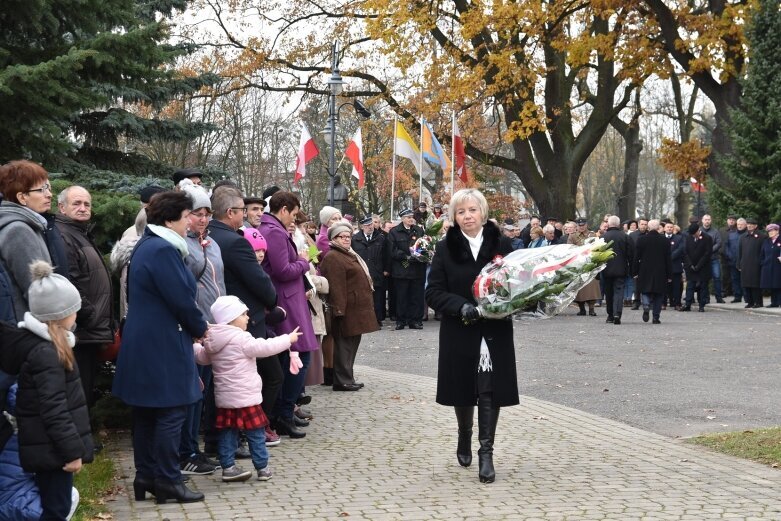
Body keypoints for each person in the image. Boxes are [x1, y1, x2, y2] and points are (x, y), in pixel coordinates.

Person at [112, 191, 209, 504]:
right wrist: (201, 329)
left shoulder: (147, 245)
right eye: (185, 218)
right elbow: (181, 298)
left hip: (145, 340)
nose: (190, 223)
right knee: (170, 411)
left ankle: (147, 476)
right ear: (170, 219)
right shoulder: (163, 249)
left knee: (148, 413)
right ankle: (166, 479)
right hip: (162, 342)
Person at [425, 188, 518, 484]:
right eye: (461, 212)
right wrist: (460, 306)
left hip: (494, 329)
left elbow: (517, 282)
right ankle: (464, 433)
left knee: (490, 389)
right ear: (454, 217)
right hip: (460, 329)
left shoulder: (502, 244)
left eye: (472, 210)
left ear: (483, 212)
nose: (468, 216)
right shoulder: (445, 248)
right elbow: (433, 292)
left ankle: (486, 452)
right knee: (463, 388)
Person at [0, 261, 93, 519]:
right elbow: (54, 409)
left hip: (49, 449)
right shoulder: (47, 353)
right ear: (62, 314)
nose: (77, 314)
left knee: (55, 506)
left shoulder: (48, 347)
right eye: (74, 310)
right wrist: (72, 452)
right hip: (53, 451)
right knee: (56, 509)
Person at [193, 296, 301, 482]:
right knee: (256, 433)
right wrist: (287, 339)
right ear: (231, 318)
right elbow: (265, 347)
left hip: (225, 399)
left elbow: (202, 357)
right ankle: (263, 468)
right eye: (243, 314)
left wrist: (194, 345)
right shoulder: (241, 339)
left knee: (228, 433)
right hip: (246, 397)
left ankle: (228, 467)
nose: (247, 318)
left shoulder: (213, 340)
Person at [207, 188, 282, 448]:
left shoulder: (210, 235)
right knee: (268, 377)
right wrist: (273, 300)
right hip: (245, 321)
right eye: (241, 211)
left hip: (220, 321)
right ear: (231, 213)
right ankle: (254, 431)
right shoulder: (235, 242)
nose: (246, 216)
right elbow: (260, 282)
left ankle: (235, 436)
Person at [260, 192, 318, 438]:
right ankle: (282, 414)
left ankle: (284, 411)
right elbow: (283, 270)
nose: (294, 219)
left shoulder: (273, 229)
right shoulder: (273, 231)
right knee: (297, 355)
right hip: (286, 300)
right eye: (293, 214)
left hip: (290, 298)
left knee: (295, 356)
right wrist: (304, 262)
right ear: (283, 209)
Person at [178, 180, 223, 475]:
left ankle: (195, 447)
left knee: (205, 390)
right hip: (194, 325)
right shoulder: (182, 243)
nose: (204, 219)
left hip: (213, 325)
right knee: (193, 391)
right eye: (197, 213)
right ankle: (186, 451)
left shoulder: (212, 242)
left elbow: (220, 282)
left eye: (207, 213)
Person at [54, 186, 114, 412]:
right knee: (77, 395)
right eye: (76, 203)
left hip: (89, 330)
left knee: (84, 392)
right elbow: (71, 282)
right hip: (79, 331)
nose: (82, 208)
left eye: (87, 204)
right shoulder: (64, 235)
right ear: (62, 207)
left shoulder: (80, 234)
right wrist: (90, 315)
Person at [319, 221, 380, 391]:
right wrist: (338, 310)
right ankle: (342, 380)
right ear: (333, 238)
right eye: (342, 236)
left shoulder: (348, 253)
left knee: (352, 344)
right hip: (346, 309)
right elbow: (336, 286)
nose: (346, 239)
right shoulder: (333, 257)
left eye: (348, 236)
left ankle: (348, 377)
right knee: (344, 346)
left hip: (356, 308)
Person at [0, 160, 56, 321]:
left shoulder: (26, 225)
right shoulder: (18, 230)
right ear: (22, 197)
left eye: (48, 188)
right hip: (31, 333)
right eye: (42, 189)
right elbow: (38, 294)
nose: (49, 194)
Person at [387, 208, 426, 330]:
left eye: (412, 217)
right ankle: (401, 320)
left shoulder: (419, 230)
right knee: (401, 297)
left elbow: (425, 245)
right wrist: (406, 256)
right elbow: (392, 250)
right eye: (408, 217)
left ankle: (415, 320)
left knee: (416, 296)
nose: (411, 219)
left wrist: (420, 255)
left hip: (417, 269)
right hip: (402, 268)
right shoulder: (394, 232)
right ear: (403, 218)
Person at [352, 215, 388, 325]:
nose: (370, 227)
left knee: (377, 298)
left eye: (371, 224)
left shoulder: (381, 238)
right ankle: (364, 320)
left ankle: (377, 320)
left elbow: (386, 255)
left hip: (376, 271)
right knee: (363, 297)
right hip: (362, 272)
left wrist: (386, 269)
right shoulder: (355, 239)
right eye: (367, 225)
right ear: (362, 227)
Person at [633, 220, 672, 323]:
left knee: (645, 290)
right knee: (659, 294)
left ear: (648, 228)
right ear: (659, 227)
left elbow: (636, 257)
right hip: (661, 270)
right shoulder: (665, 241)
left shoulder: (641, 240)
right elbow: (668, 259)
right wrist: (669, 274)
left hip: (644, 269)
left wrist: (635, 271)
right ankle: (656, 317)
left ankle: (646, 305)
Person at [601, 215, 633, 324]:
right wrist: (632, 269)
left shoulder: (603, 237)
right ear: (619, 224)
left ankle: (610, 315)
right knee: (619, 292)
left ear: (608, 224)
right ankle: (617, 313)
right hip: (621, 269)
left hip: (606, 270)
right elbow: (631, 255)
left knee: (608, 293)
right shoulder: (625, 237)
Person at [569, 218, 601, 316]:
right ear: (577, 226)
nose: (581, 227)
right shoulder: (572, 236)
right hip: (578, 265)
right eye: (580, 225)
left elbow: (597, 247)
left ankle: (592, 309)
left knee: (592, 287)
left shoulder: (592, 235)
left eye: (583, 225)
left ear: (586, 225)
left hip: (591, 264)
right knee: (579, 288)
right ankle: (582, 309)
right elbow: (569, 250)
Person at [681, 223, 713, 312]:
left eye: (695, 233)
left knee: (703, 286)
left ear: (698, 230)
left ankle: (701, 305)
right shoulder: (688, 237)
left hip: (703, 267)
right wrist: (690, 264)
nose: (693, 235)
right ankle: (688, 304)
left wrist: (698, 265)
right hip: (691, 267)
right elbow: (685, 252)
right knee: (690, 286)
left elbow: (707, 253)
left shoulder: (707, 238)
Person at [738, 218, 765, 308]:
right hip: (745, 264)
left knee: (755, 284)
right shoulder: (743, 237)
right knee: (746, 284)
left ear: (755, 226)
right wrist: (739, 263)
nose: (749, 225)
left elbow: (764, 251)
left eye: (751, 224)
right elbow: (739, 252)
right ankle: (750, 302)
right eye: (748, 224)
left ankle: (758, 302)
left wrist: (761, 262)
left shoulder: (762, 237)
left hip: (756, 264)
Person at [700, 215, 724, 303]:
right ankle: (706, 298)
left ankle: (719, 297)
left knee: (717, 277)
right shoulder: (699, 231)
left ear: (711, 221)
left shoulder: (715, 231)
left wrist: (709, 251)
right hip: (703, 260)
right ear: (702, 221)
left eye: (709, 219)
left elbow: (719, 243)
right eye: (705, 220)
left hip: (714, 258)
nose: (707, 221)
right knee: (705, 279)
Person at [663, 221, 686, 310]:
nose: (669, 228)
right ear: (664, 228)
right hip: (664, 267)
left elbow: (680, 249)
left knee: (676, 287)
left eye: (671, 227)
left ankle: (677, 304)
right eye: (668, 227)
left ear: (673, 228)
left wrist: (669, 257)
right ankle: (663, 303)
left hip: (675, 266)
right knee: (664, 287)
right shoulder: (661, 238)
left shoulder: (679, 238)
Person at [725, 217, 747, 302]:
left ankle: (746, 297)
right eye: (738, 224)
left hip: (744, 262)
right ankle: (737, 297)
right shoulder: (731, 234)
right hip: (733, 261)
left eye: (742, 224)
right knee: (735, 279)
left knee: (744, 280)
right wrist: (729, 256)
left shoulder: (747, 235)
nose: (740, 226)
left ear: (745, 225)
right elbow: (727, 246)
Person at [759, 224, 781, 307]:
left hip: (778, 266)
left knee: (778, 285)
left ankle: (779, 302)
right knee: (772, 285)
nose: (770, 232)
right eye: (769, 231)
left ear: (777, 231)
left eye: (772, 230)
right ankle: (774, 303)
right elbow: (762, 254)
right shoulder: (766, 241)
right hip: (768, 267)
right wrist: (763, 262)